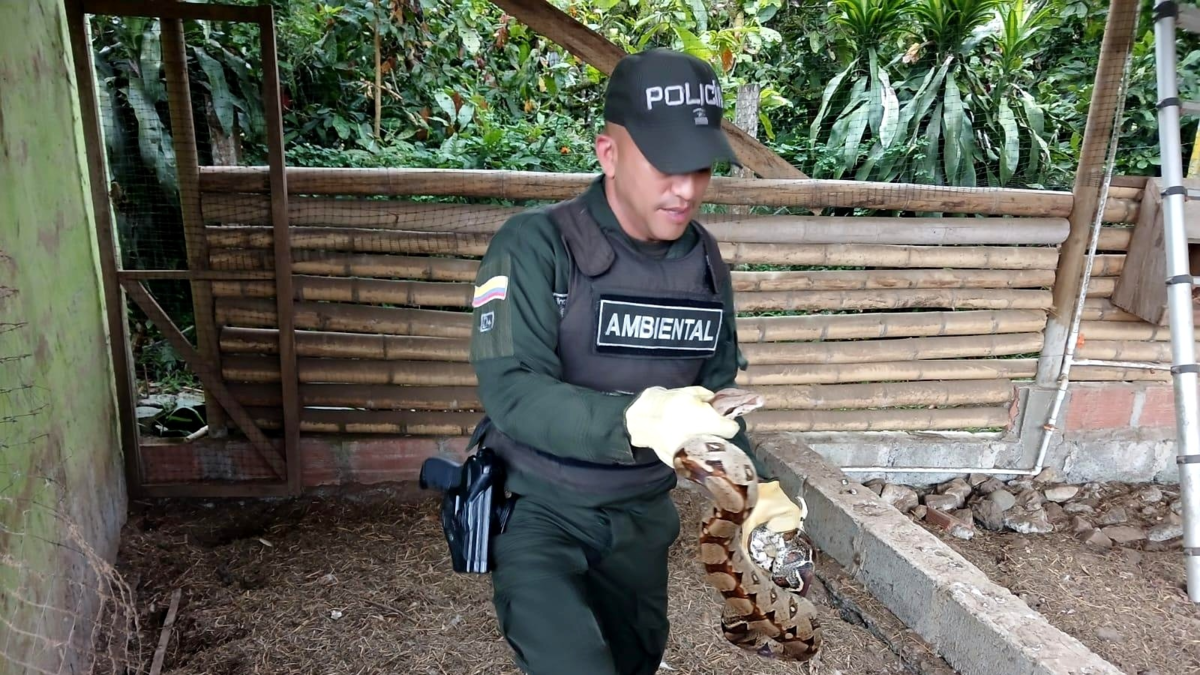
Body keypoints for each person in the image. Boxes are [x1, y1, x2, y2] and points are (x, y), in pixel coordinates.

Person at [466, 48, 806, 675]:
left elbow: (714, 396)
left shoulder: (704, 262)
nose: (686, 188)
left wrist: (759, 490)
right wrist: (638, 420)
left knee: (636, 659)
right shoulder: (534, 245)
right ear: (609, 153)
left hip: (641, 517)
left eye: (700, 167)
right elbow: (510, 391)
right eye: (664, 165)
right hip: (540, 508)